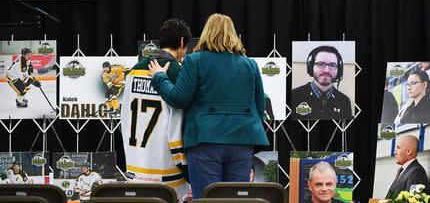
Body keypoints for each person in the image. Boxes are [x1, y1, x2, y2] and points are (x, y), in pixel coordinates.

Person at [148, 13, 270, 199]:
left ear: (206, 33)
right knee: (236, 201)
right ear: (233, 34)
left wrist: (159, 77)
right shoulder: (250, 65)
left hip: (205, 142)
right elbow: (259, 108)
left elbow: (179, 99)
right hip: (242, 142)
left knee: (206, 199)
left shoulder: (194, 61)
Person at [120, 18, 192, 200]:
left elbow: (125, 119)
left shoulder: (134, 71)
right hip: (166, 172)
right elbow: (177, 128)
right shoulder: (178, 72)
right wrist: (185, 168)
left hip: (136, 168)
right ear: (182, 42)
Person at [291, 46, 352, 120]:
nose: (326, 70)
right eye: (320, 64)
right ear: (311, 67)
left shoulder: (344, 101)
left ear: (339, 70)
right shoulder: (293, 96)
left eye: (332, 65)